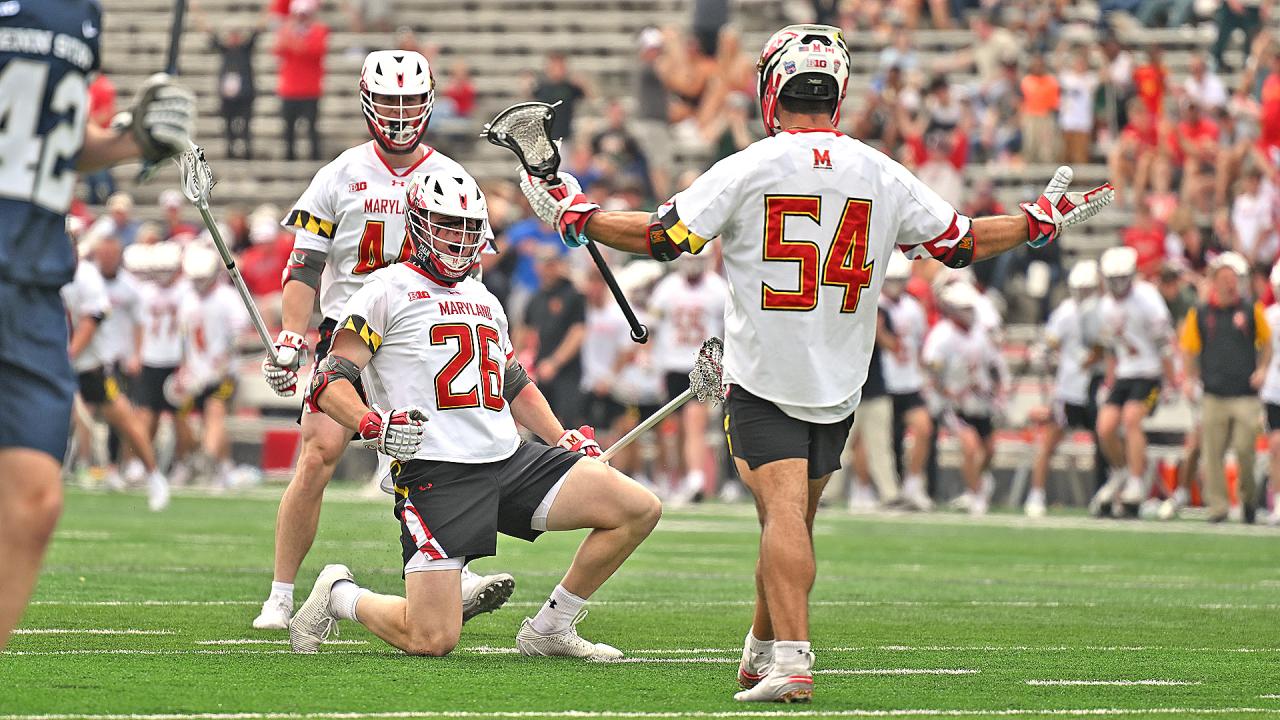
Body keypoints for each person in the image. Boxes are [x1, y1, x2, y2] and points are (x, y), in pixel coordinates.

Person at [515, 24, 1114, 702]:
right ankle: (759, 650)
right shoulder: (880, 170)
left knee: (783, 518)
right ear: (839, 93)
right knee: (791, 521)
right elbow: (963, 244)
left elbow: (664, 236)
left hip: (767, 371)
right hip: (841, 378)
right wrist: (1036, 222)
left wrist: (578, 216)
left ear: (774, 89)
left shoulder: (751, 164)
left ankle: (792, 660)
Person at [289, 172, 661, 658]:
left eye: (468, 227)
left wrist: (561, 437)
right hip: (438, 472)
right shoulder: (385, 289)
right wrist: (371, 425)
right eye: (447, 225)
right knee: (432, 638)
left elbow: (513, 383)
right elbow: (328, 381)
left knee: (637, 508)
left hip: (507, 458)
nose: (460, 239)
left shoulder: (483, 297)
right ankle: (340, 595)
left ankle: (551, 627)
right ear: (419, 223)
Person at [255, 50, 513, 631]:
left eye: (411, 103)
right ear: (368, 103)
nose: (400, 115)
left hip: (425, 335)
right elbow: (304, 268)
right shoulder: (341, 173)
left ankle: (447, 567)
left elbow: (472, 270)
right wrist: (292, 336)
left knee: (446, 449)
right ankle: (280, 591)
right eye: (390, 103)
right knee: (318, 454)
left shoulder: (452, 177)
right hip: (351, 333)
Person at [0, 2, 195, 653]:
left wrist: (136, 138)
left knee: (36, 500)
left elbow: (51, 143)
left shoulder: (78, 13)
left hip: (31, 282)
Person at [1180, 252, 1269, 523]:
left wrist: (1263, 368)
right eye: (1224, 279)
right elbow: (1189, 348)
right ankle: (1218, 507)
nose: (1229, 284)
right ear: (1214, 282)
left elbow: (1266, 342)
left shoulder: (1251, 310)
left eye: (1233, 279)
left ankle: (1249, 499)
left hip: (1244, 394)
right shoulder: (1201, 313)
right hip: (1213, 394)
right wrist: (1189, 378)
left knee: (1245, 450)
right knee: (1212, 454)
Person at [1092, 246, 1177, 517]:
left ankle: (1137, 482)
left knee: (1131, 419)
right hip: (1125, 374)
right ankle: (1120, 472)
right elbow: (1112, 350)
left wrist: (1171, 381)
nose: (1117, 285)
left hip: (1150, 372)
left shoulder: (1148, 298)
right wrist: (1108, 382)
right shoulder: (1105, 305)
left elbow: (1164, 344)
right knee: (1104, 427)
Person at [923, 282, 1009, 516]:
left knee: (990, 449)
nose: (968, 313)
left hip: (980, 401)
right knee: (970, 446)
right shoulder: (941, 336)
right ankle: (975, 494)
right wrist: (947, 392)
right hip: (954, 403)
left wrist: (998, 391)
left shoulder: (979, 333)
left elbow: (994, 365)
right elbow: (932, 371)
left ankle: (977, 484)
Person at [646, 256, 728, 502]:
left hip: (703, 365)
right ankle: (683, 479)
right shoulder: (667, 287)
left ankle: (695, 478)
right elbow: (651, 326)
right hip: (672, 365)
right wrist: (649, 355)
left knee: (695, 422)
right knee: (678, 430)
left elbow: (729, 327)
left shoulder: (718, 288)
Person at [1027, 261, 1104, 518]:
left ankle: (1105, 494)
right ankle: (1036, 494)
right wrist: (1044, 355)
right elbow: (1047, 344)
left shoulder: (1105, 310)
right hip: (1070, 388)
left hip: (1096, 387)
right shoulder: (1066, 312)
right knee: (1049, 442)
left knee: (1105, 443)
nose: (1083, 295)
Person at [169, 245, 250, 488]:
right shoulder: (187, 299)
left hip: (223, 375)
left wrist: (221, 363)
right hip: (195, 374)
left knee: (215, 410)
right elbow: (185, 339)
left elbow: (237, 336)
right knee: (179, 414)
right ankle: (191, 462)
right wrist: (184, 368)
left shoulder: (227, 298)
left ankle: (208, 463)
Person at [879, 253, 934, 512]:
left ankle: (913, 485)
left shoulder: (913, 307)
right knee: (879, 440)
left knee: (923, 428)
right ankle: (868, 489)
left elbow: (920, 344)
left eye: (899, 280)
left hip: (909, 381)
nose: (894, 285)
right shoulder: (874, 305)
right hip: (882, 382)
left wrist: (923, 374)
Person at [275, 0, 327, 161]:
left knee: (312, 127)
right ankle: (289, 158)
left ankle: (315, 158)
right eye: (298, 14)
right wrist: (292, 37)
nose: (301, 17)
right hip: (289, 89)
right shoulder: (288, 31)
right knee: (288, 128)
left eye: (304, 14)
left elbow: (313, 51)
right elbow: (278, 48)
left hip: (310, 89)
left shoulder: (319, 31)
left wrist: (292, 41)